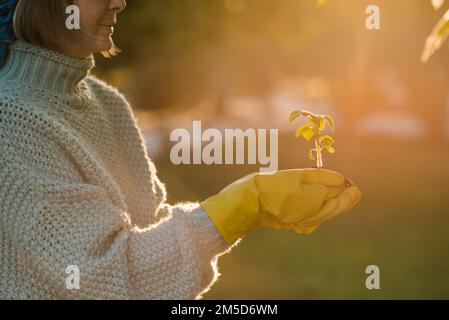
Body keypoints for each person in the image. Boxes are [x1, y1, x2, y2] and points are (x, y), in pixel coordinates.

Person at [0, 0, 361, 299]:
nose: (120, 3)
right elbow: (110, 281)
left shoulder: (107, 102)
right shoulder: (11, 119)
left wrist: (247, 211)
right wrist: (240, 207)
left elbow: (147, 235)